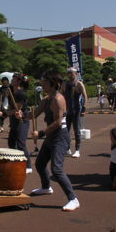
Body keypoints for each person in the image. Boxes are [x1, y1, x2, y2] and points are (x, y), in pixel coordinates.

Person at [22, 70, 79, 212]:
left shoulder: (58, 99)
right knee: (40, 163)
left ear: (53, 83)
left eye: (45, 81)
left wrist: (40, 133)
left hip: (60, 136)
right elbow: (33, 114)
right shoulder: (46, 99)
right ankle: (46, 187)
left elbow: (58, 122)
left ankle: (73, 199)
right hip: (51, 136)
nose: (42, 83)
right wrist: (22, 115)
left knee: (56, 169)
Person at [7, 73, 32, 174]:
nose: (11, 80)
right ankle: (16, 162)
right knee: (11, 142)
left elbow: (17, 110)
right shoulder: (12, 92)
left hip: (22, 119)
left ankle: (28, 166)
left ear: (18, 81)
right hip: (14, 119)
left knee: (21, 144)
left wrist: (10, 112)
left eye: (13, 79)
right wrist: (6, 113)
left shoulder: (21, 93)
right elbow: (10, 110)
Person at [61, 67, 88, 158]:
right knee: (66, 131)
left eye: (71, 73)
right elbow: (61, 95)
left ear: (76, 74)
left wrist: (83, 109)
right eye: (68, 73)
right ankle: (67, 148)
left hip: (76, 110)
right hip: (67, 111)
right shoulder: (64, 84)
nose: (69, 75)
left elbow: (85, 96)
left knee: (77, 131)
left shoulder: (79, 84)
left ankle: (77, 150)